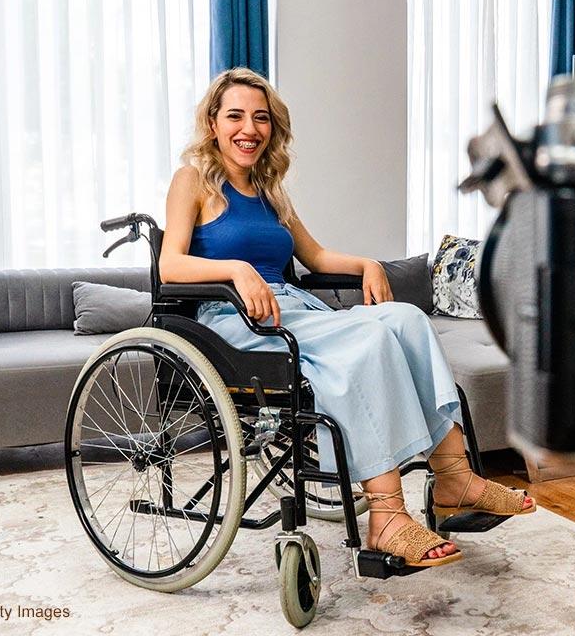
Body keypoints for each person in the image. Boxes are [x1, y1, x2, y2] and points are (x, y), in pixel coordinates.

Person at [159, 68, 535, 568]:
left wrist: (367, 264)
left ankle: (454, 478)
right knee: (367, 343)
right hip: (235, 320)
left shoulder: (271, 191)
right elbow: (170, 265)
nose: (248, 128)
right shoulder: (193, 181)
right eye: (235, 116)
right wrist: (238, 270)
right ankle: (386, 516)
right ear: (212, 123)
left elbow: (314, 256)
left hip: (293, 310)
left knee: (407, 320)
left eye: (261, 118)